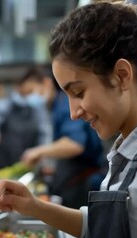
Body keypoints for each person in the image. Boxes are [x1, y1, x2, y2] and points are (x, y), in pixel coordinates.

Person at [0, 2, 137, 238]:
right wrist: (33, 207)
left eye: (78, 93)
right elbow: (106, 229)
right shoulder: (128, 149)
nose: (74, 113)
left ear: (121, 76)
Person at [20, 66, 105, 209]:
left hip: (84, 182)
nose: (30, 98)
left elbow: (75, 144)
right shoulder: (55, 107)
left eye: (31, 92)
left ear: (46, 83)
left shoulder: (65, 104)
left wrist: (39, 151)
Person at [0, 67, 50, 169]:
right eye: (31, 90)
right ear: (20, 86)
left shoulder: (38, 109)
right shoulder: (1, 106)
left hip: (29, 166)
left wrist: (44, 158)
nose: (34, 93)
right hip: (2, 165)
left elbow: (44, 135)